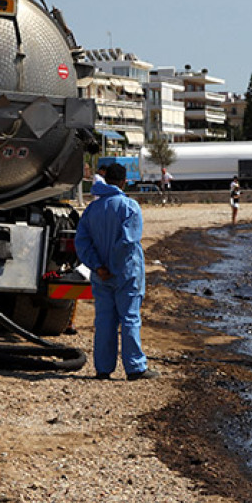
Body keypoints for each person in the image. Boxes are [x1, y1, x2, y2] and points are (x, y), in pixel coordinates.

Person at [75, 163, 159, 381]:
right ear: (124, 181)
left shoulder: (92, 209)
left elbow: (82, 242)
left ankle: (103, 368)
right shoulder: (129, 207)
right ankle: (135, 368)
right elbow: (128, 242)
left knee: (104, 320)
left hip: (101, 274)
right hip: (126, 273)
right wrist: (112, 266)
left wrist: (98, 266)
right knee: (130, 318)